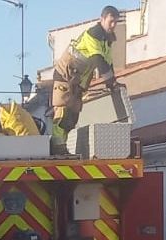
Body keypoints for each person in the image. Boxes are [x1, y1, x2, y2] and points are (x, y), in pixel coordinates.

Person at [51, 5, 119, 148]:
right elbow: (98, 61)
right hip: (65, 75)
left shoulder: (106, 41)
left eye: (115, 22)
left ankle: (63, 146)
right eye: (110, 21)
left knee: (73, 116)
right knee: (62, 113)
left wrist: (114, 83)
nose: (113, 25)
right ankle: (56, 147)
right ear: (102, 19)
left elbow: (108, 63)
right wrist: (111, 83)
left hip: (77, 81)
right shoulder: (93, 35)